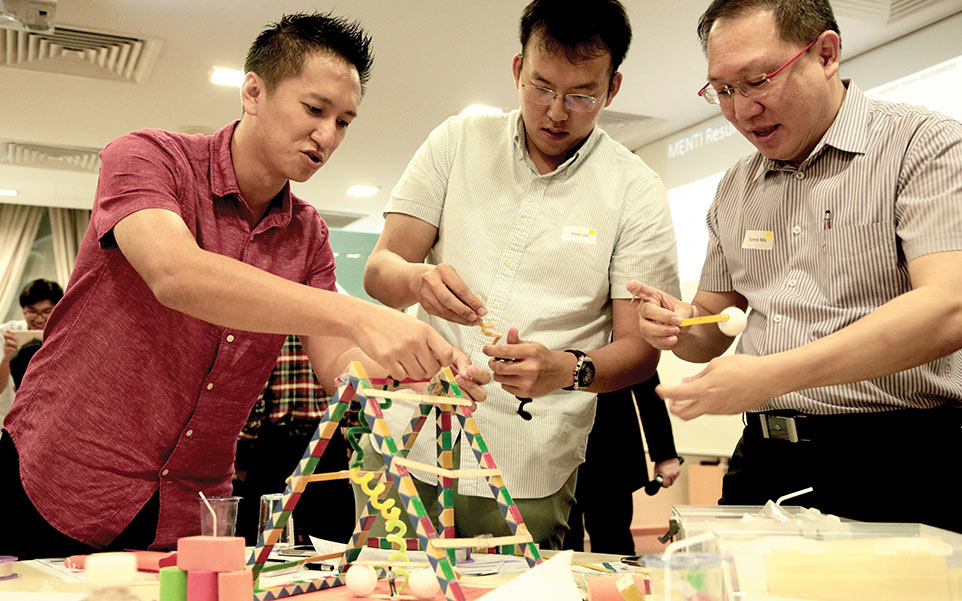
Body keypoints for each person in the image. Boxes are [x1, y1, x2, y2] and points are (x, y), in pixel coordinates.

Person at [1, 12, 488, 560]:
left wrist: (417, 373)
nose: (327, 136)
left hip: (193, 507)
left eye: (345, 122)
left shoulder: (308, 234)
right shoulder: (148, 158)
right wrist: (364, 316)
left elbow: (335, 366)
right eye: (314, 109)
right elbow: (175, 273)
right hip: (60, 477)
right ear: (253, 91)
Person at [631, 0, 962, 532]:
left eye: (758, 80)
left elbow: (948, 309)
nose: (741, 110)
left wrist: (766, 375)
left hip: (898, 455)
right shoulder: (736, 187)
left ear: (826, 53)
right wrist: (679, 323)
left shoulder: (922, 145)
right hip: (763, 457)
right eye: (723, 90)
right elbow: (712, 326)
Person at [361, 0, 679, 549]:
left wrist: (567, 369)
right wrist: (417, 282)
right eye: (541, 87)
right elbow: (380, 269)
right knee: (381, 583)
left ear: (614, 88)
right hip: (409, 431)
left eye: (582, 96)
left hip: (531, 456)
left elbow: (639, 351)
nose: (556, 112)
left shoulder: (635, 190)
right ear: (516, 69)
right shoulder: (458, 142)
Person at [233, 334, 354, 546]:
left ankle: (260, 576)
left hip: (275, 443)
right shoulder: (334, 324)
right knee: (330, 534)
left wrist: (244, 447)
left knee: (267, 532)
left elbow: (256, 391)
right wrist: (351, 438)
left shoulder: (270, 326)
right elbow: (350, 383)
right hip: (326, 437)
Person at [563, 373, 681, 555]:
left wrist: (664, 453)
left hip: (613, 444)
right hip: (556, 442)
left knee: (613, 541)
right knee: (562, 545)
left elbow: (646, 375)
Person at [0, 279, 63, 421]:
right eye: (32, 311)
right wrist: (7, 358)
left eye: (47, 312)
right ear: (23, 310)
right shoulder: (5, 334)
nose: (39, 319)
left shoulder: (63, 335)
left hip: (46, 419)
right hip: (6, 418)